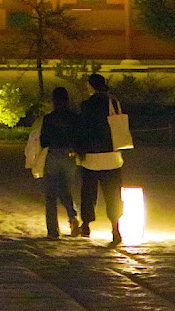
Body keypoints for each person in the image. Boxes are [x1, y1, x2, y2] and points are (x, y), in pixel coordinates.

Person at [76, 75, 129, 245]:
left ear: (91, 86)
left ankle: (86, 224)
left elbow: (82, 129)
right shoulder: (113, 102)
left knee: (88, 193)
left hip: (91, 156)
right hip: (112, 156)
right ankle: (115, 228)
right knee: (113, 194)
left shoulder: (87, 105)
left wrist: (79, 149)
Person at [32, 89, 82, 240]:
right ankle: (72, 217)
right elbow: (79, 137)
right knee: (65, 189)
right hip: (70, 156)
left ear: (53, 101)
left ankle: (53, 230)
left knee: (51, 194)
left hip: (53, 155)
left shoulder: (49, 118)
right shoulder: (75, 118)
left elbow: (44, 141)